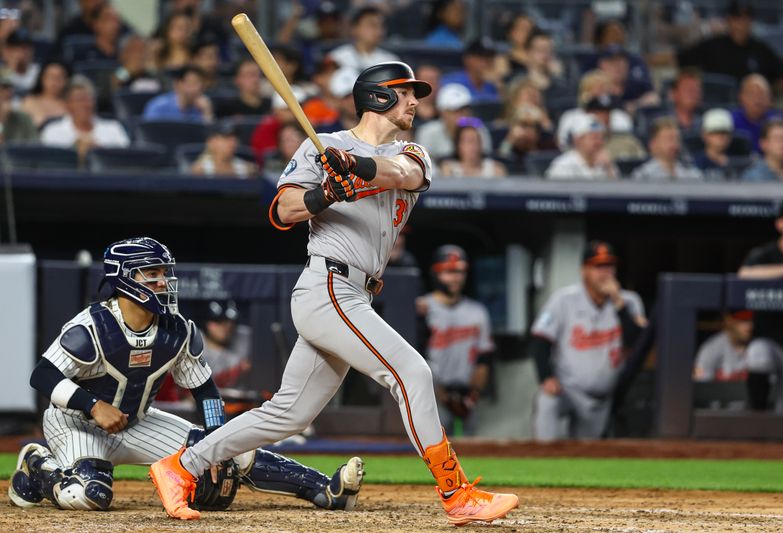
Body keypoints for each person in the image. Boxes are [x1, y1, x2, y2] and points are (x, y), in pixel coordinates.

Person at [148, 61, 519, 525]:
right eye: (406, 93)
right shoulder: (322, 147)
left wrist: (356, 170)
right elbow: (283, 210)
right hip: (328, 285)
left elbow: (401, 174)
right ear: (379, 96)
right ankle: (455, 492)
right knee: (412, 372)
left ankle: (180, 467)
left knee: (289, 414)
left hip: (356, 293)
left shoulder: (411, 150)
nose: (415, 102)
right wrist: (325, 192)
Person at [8, 237, 364, 513]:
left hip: (136, 422)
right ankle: (37, 466)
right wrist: (92, 405)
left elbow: (205, 391)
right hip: (76, 423)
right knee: (89, 495)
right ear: (125, 278)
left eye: (164, 273)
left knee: (230, 451)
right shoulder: (91, 327)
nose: (163, 281)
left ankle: (325, 489)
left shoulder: (177, 329)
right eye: (153, 273)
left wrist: (214, 442)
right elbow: (43, 375)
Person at [531, 241, 646, 441]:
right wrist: (546, 377)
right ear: (584, 270)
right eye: (598, 266)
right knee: (547, 400)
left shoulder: (629, 301)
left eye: (609, 266)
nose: (605, 273)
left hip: (602, 398)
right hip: (566, 389)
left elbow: (636, 342)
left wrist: (619, 303)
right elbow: (540, 339)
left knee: (585, 456)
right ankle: (541, 458)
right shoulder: (564, 299)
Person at [416, 245, 494, 435]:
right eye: (449, 272)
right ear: (436, 273)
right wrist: (441, 394)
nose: (456, 278)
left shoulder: (477, 311)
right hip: (432, 395)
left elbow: (484, 358)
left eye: (460, 272)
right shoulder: (423, 308)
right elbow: (417, 356)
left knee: (470, 453)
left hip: (467, 395)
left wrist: (473, 396)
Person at [738, 199, 783, 412]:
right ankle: (757, 412)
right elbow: (744, 275)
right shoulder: (764, 254)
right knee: (758, 356)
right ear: (781, 224)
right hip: (771, 342)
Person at [677, 0, 783, 93]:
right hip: (718, 106)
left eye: (746, 18)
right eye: (737, 18)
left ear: (751, 21)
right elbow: (678, 58)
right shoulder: (713, 45)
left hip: (750, 112)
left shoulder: (761, 50)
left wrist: (766, 95)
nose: (741, 23)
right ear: (729, 20)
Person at [40, 76, 129, 161]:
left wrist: (100, 153)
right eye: (79, 100)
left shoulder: (113, 128)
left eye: (89, 99)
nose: (85, 105)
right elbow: (49, 165)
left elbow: (125, 162)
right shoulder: (53, 131)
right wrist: (73, 151)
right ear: (67, 104)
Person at [557, 70, 633, 150]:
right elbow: (563, 144)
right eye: (592, 90)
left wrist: (607, 124)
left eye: (603, 90)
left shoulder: (620, 116)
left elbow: (627, 143)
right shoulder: (571, 117)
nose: (598, 95)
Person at [416, 83, 492, 161]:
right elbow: (423, 163)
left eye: (465, 109)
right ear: (442, 112)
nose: (463, 115)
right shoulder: (428, 132)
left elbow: (486, 162)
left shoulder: (479, 130)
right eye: (455, 111)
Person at [731, 74, 783, 155]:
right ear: (741, 97)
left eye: (762, 94)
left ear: (771, 99)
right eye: (752, 94)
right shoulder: (730, 120)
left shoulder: (782, 120)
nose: (757, 99)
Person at [546, 113, 618, 180]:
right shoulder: (563, 165)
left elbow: (618, 191)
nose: (599, 142)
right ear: (577, 140)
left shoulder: (606, 162)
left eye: (601, 137)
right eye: (594, 138)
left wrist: (609, 168)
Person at [328, 7, 399, 73]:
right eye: (372, 25)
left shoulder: (390, 60)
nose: (379, 30)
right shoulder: (337, 57)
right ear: (354, 28)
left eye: (381, 25)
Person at [631, 117, 703, 181]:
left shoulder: (691, 173)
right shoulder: (643, 175)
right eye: (668, 139)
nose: (674, 144)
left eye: (676, 139)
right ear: (653, 144)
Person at [202, 300, 252, 389]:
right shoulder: (194, 346)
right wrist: (237, 370)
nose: (225, 326)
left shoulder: (244, 337)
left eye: (229, 322)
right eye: (218, 321)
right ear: (207, 323)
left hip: (240, 399)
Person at [694, 310, 753, 382]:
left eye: (752, 320)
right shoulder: (711, 348)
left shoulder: (760, 347)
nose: (750, 326)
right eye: (744, 320)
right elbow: (702, 384)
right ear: (729, 321)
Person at [142, 65, 213, 123]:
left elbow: (208, 137)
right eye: (191, 83)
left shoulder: (201, 108)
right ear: (177, 84)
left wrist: (207, 113)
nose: (196, 89)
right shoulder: (159, 106)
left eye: (199, 85)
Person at [439, 119, 507, 178]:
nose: (473, 146)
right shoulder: (449, 169)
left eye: (477, 141)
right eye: (469, 141)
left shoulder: (496, 169)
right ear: (459, 145)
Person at [441, 38, 500, 104]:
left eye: (489, 57)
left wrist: (498, 84)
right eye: (481, 57)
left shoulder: (492, 85)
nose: (486, 62)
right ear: (467, 59)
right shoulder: (452, 82)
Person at [190, 121, 256, 179]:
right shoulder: (200, 171)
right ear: (211, 142)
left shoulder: (248, 170)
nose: (232, 142)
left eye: (234, 138)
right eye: (226, 137)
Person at [20, 61, 69, 128]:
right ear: (42, 78)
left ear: (66, 80)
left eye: (59, 77)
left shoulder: (72, 103)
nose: (55, 81)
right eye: (51, 76)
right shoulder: (30, 102)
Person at [694, 108, 736, 180]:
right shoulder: (695, 163)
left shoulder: (738, 161)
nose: (720, 136)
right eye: (715, 132)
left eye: (724, 132)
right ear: (704, 135)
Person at [494, 13, 535, 82]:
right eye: (521, 28)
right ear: (510, 32)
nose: (526, 33)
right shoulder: (502, 59)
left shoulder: (541, 56)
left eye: (529, 29)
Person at [0, 73, 36, 144]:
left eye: (8, 89)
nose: (6, 93)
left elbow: (34, 147)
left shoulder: (24, 118)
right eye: (2, 89)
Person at [668, 68, 703, 134]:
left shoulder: (704, 124)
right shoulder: (662, 122)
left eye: (695, 89)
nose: (692, 94)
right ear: (674, 94)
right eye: (687, 89)